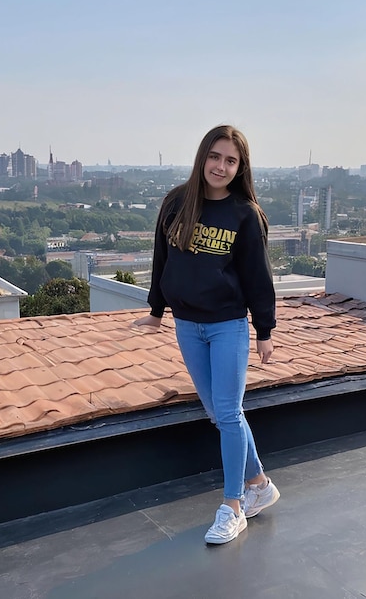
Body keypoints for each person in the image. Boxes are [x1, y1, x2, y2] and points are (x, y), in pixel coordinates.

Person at [133, 124, 280, 544]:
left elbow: (258, 277)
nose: (221, 166)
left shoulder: (244, 215)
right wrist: (156, 311)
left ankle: (232, 507)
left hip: (227, 325)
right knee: (219, 414)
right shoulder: (177, 203)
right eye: (215, 156)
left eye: (230, 160)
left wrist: (264, 330)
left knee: (229, 414)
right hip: (186, 325)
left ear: (240, 167)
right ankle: (260, 485)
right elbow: (161, 259)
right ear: (202, 157)